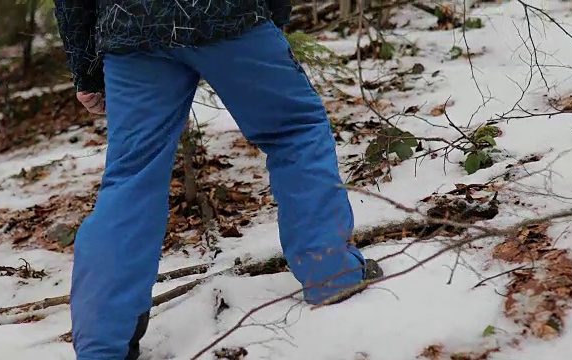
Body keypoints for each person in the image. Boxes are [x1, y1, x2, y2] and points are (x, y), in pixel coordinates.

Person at [53, 1, 383, 359]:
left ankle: (102, 343)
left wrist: (86, 71)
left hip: (131, 28)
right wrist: (271, 16)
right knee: (295, 129)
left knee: (131, 176)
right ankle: (329, 270)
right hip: (227, 14)